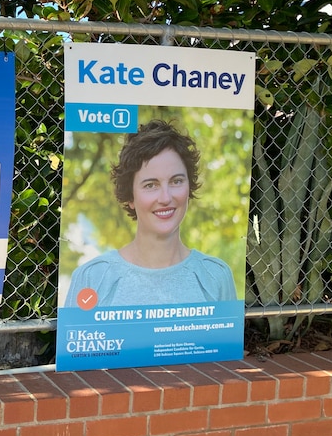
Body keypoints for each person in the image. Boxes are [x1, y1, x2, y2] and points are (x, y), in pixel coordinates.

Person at [64, 119, 237, 308]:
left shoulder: (217, 276)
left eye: (176, 181)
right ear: (130, 196)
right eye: (150, 185)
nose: (165, 197)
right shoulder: (92, 278)